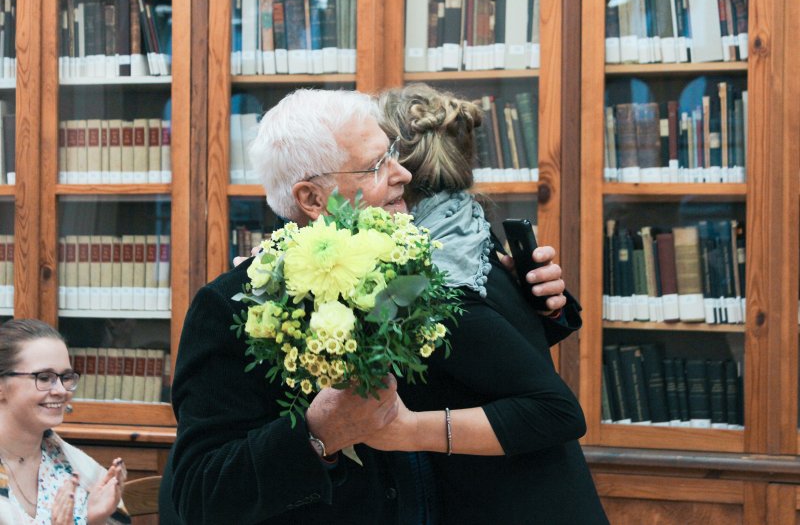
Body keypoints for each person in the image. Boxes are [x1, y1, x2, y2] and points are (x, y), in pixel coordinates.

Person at [160, 88, 574, 525]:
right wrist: (316, 434)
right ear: (312, 199)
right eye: (378, 165)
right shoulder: (232, 307)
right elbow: (197, 496)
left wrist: (539, 306)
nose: (403, 174)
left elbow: (473, 364)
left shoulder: (408, 267)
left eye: (393, 152)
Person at [366, 83, 609, 524]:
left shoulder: (435, 279)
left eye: (371, 161)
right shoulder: (461, 224)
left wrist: (406, 430)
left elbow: (558, 411)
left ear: (398, 171)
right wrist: (548, 310)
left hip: (514, 505)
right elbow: (489, 355)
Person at [0, 319, 129, 525]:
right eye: (43, 378)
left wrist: (94, 520)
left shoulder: (79, 470)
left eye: (66, 377)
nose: (61, 390)